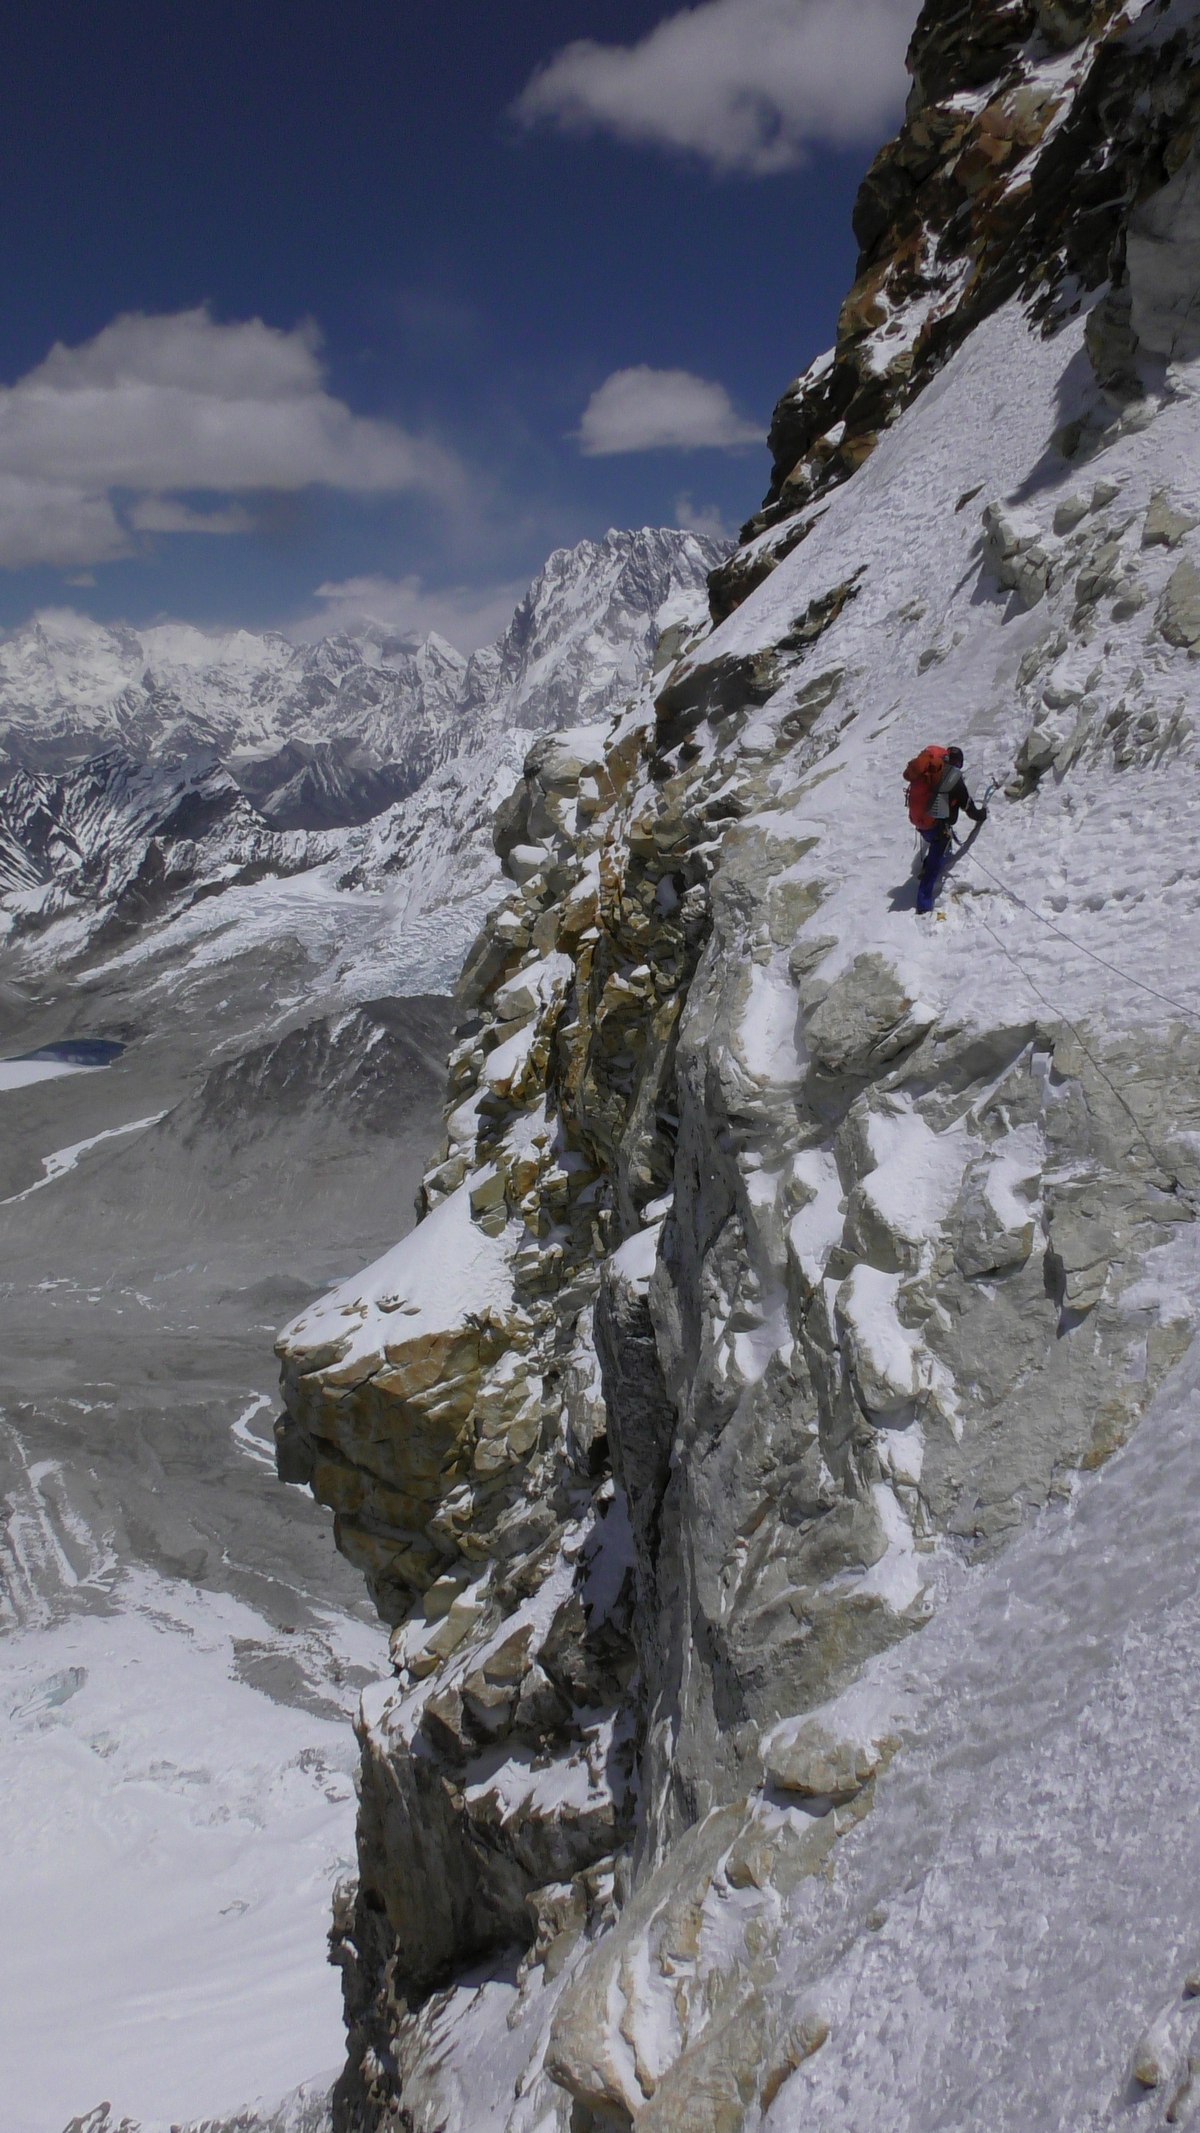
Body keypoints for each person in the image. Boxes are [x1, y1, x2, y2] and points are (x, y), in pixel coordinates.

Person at [902, 744, 987, 915]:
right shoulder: (953, 780)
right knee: (937, 859)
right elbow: (969, 808)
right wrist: (982, 816)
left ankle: (927, 864)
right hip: (937, 827)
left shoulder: (930, 775)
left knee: (939, 844)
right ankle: (923, 904)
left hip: (921, 823)